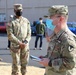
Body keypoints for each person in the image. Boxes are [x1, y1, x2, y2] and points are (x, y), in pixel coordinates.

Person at [39, 5, 76, 75]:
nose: (47, 20)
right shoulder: (55, 36)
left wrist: (49, 62)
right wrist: (45, 58)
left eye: (50, 17)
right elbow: (55, 55)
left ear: (61, 19)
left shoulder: (68, 39)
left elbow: (70, 63)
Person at [6, 4, 31, 75]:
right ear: (14, 11)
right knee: (15, 65)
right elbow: (10, 35)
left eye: (20, 10)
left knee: (25, 64)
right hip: (15, 46)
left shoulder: (26, 21)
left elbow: (29, 33)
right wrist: (20, 43)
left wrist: (26, 42)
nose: (19, 12)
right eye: (17, 10)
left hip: (25, 46)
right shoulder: (11, 22)